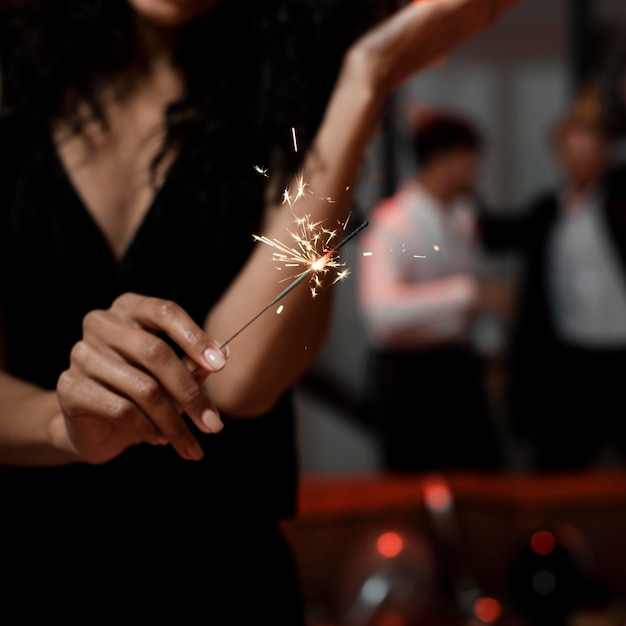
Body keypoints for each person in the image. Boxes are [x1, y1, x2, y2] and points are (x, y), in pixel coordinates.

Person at [0, 0, 521, 621]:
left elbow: (239, 378)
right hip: (30, 561)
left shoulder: (284, 97)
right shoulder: (13, 73)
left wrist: (363, 80)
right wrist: (63, 426)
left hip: (223, 573)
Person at [480, 93, 626, 472]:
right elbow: (492, 232)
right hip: (569, 359)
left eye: (589, 151)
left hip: (621, 353)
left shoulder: (618, 203)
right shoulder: (547, 211)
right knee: (561, 462)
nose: (580, 161)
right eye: (571, 152)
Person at [358, 108, 503, 473]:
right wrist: (466, 293)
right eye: (471, 160)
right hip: (407, 376)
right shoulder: (392, 222)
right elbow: (380, 311)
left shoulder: (463, 214)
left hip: (456, 362)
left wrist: (490, 350)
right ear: (446, 161)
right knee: (411, 476)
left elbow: (475, 280)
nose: (477, 171)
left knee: (480, 471)